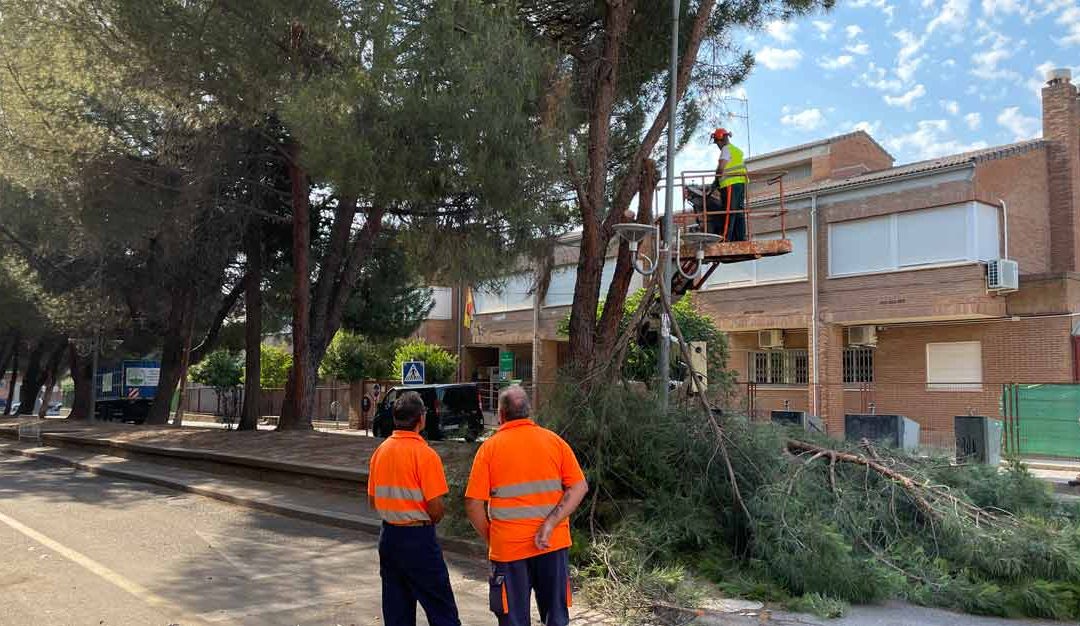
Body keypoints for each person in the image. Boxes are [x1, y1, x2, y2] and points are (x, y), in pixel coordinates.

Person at [464, 385, 589, 626]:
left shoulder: (489, 449)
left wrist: (492, 536)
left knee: (513, 620)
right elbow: (579, 487)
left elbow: (472, 503)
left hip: (508, 550)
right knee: (556, 617)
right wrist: (550, 523)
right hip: (552, 546)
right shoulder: (555, 442)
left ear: (501, 415)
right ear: (530, 412)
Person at [368, 391, 461, 626]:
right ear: (421, 418)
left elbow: (372, 500)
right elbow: (436, 508)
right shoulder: (425, 455)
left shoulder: (381, 452)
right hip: (418, 538)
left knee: (397, 612)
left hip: (388, 537)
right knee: (442, 611)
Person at [706, 127, 748, 241]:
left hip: (730, 184)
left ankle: (725, 237)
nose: (717, 146)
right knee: (738, 211)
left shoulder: (726, 149)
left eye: (717, 143)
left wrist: (716, 182)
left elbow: (721, 168)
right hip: (740, 183)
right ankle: (741, 237)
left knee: (729, 211)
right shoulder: (736, 150)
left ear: (721, 140)